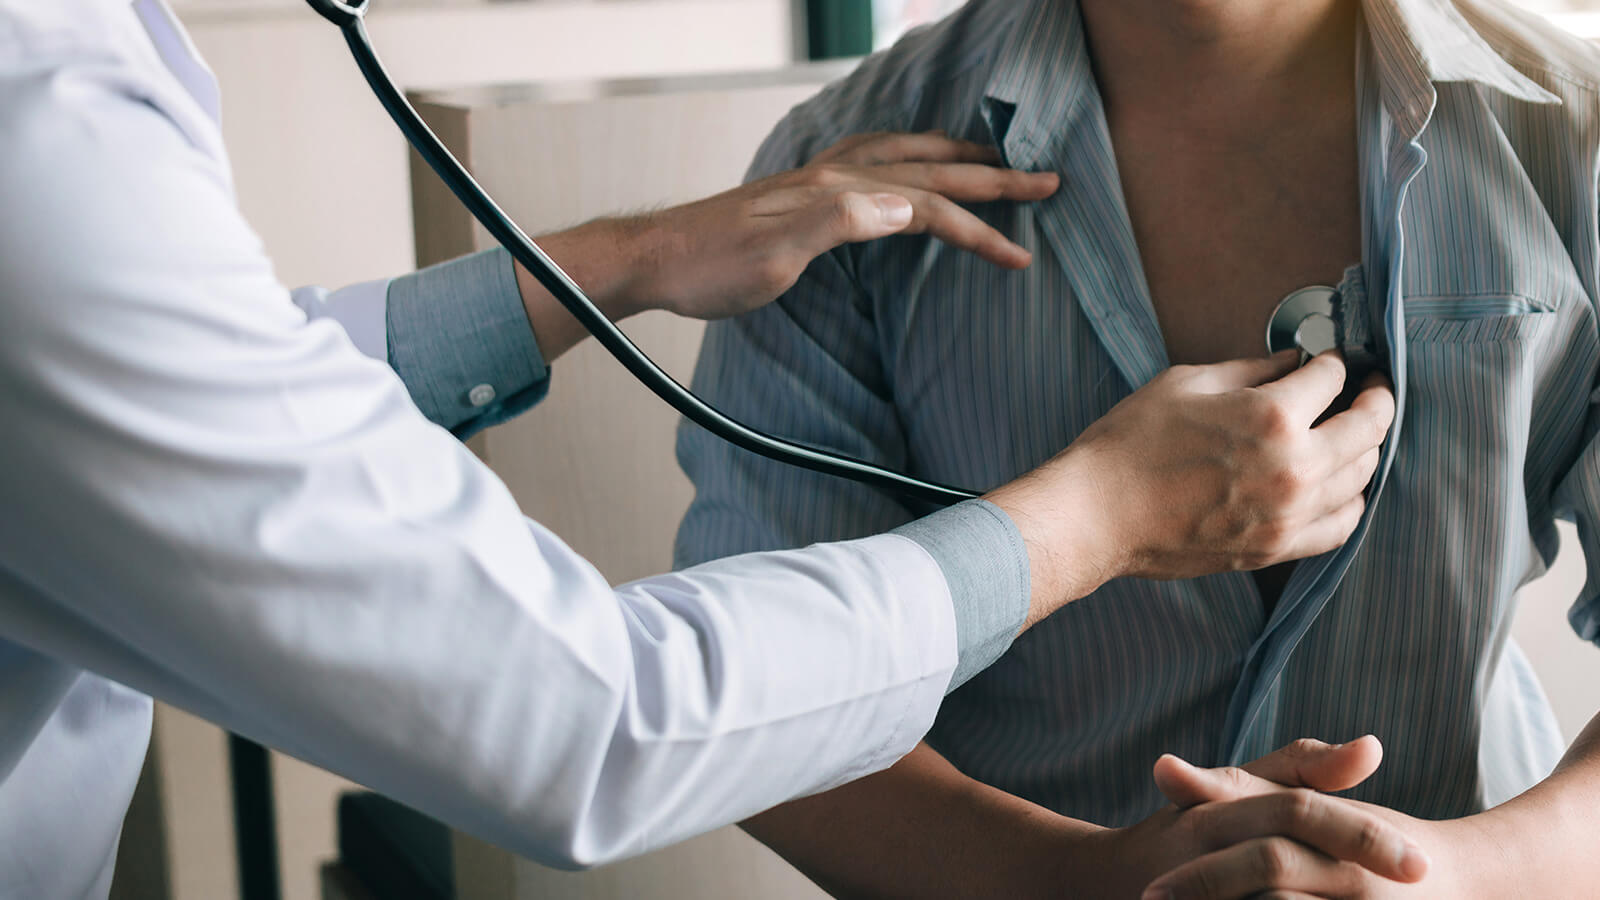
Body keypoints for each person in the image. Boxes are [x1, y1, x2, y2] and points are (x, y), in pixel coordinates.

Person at [0, 0, 1404, 897]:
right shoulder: (35, 129)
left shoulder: (1550, 137)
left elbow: (198, 402)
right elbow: (588, 722)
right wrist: (1096, 518)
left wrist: (632, 261)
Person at [675, 0, 1600, 895]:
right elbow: (758, 712)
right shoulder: (835, 177)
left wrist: (1457, 881)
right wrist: (1064, 882)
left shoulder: (1576, 131)